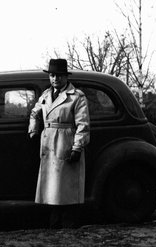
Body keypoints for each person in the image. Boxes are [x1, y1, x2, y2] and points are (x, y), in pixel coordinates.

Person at [28, 58, 90, 228]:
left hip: (66, 140)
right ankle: (54, 221)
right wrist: (34, 129)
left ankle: (68, 222)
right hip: (48, 141)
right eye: (53, 75)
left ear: (66, 77)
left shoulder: (76, 97)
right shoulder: (46, 95)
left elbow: (83, 125)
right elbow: (35, 113)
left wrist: (77, 147)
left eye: (60, 76)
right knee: (52, 186)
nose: (56, 79)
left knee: (67, 185)